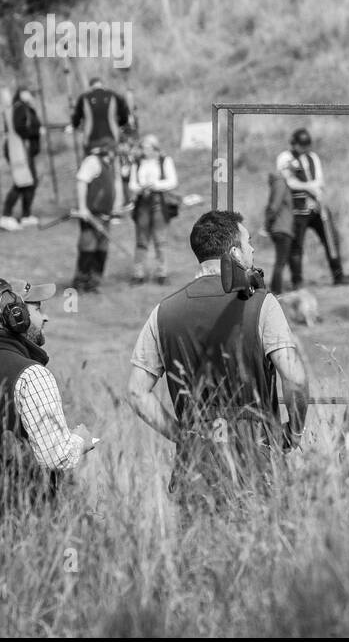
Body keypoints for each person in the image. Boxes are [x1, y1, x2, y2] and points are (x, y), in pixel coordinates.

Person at [126, 210, 310, 513]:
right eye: (248, 243)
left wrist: (181, 435)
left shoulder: (162, 311)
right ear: (235, 252)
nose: (252, 250)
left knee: (199, 555)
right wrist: (294, 431)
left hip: (195, 462)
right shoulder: (263, 304)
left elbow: (136, 392)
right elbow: (296, 378)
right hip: (257, 457)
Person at [0, 277, 96, 523]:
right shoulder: (32, 375)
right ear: (16, 316)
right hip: (30, 520)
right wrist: (81, 440)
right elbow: (57, 457)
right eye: (37, 309)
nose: (45, 318)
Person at [275, 128, 346, 287]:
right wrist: (309, 187)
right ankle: (297, 280)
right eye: (302, 145)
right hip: (298, 209)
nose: (304, 149)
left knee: (331, 239)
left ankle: (338, 275)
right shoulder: (285, 158)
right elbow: (290, 182)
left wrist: (316, 193)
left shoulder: (313, 157)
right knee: (296, 246)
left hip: (317, 206)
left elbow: (319, 180)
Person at [71, 142, 123, 293]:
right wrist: (82, 208)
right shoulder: (92, 161)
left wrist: (116, 206)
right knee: (88, 248)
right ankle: (80, 281)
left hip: (105, 216)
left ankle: (94, 282)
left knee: (102, 250)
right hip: (91, 215)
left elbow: (115, 184)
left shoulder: (111, 164)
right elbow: (82, 181)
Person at [128, 134, 178, 286]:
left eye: (147, 147)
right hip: (142, 202)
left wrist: (155, 185)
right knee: (141, 240)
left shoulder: (165, 161)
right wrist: (141, 187)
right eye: (143, 147)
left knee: (160, 240)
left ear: (155, 148)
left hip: (158, 202)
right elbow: (132, 185)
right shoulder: (137, 163)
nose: (144, 150)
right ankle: (138, 274)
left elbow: (172, 181)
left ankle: (162, 273)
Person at [0, 88, 43, 231]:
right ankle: (6, 216)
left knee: (29, 182)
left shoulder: (17, 109)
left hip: (22, 150)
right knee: (21, 183)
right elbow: (20, 128)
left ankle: (26, 215)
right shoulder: (17, 109)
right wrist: (35, 132)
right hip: (19, 152)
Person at [68, 76, 131, 150]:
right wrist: (120, 124)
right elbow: (124, 116)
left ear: (90, 87)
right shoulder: (114, 95)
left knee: (89, 159)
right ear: (102, 85)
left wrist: (76, 126)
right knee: (114, 157)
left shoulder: (83, 98)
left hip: (91, 139)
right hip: (111, 137)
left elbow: (76, 120)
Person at [263, 168, 296, 295]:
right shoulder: (281, 183)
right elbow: (274, 206)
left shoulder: (278, 183)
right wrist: (267, 225)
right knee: (280, 262)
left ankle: (276, 290)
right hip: (282, 228)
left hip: (280, 228)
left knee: (280, 261)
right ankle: (276, 291)